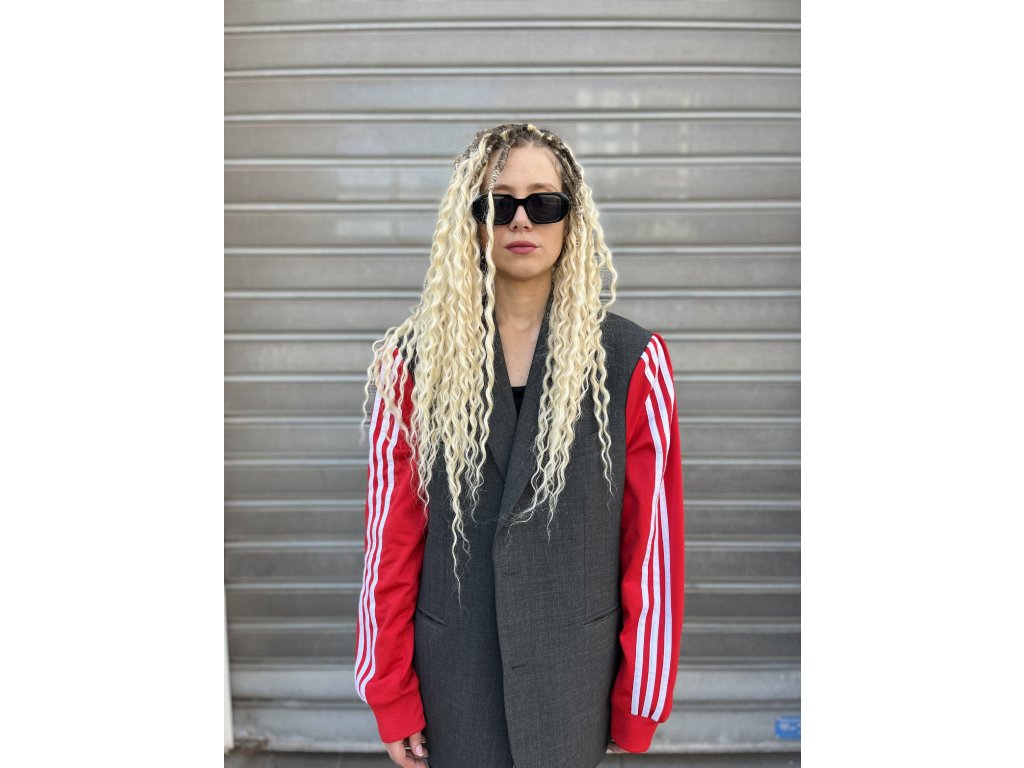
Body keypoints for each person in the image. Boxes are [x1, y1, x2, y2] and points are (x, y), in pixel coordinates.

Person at [354, 122, 685, 768]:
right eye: (498, 203)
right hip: (455, 687)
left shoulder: (634, 363)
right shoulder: (412, 364)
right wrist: (389, 693)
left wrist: (638, 700)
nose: (521, 219)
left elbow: (652, 549)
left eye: (544, 202)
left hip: (575, 685)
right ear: (472, 220)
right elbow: (388, 545)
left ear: (571, 217)